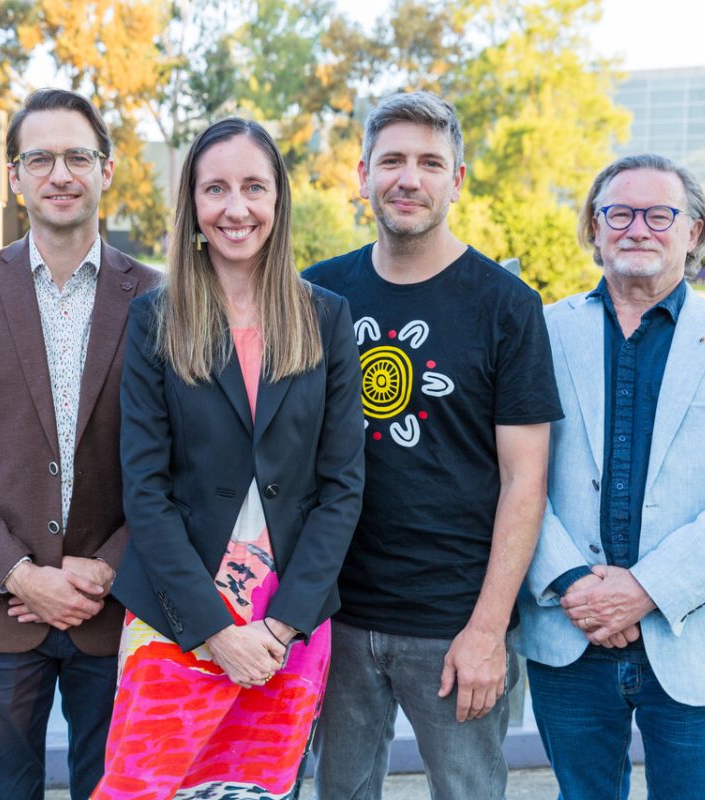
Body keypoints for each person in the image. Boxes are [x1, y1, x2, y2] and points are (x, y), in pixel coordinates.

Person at [90, 118, 365, 799]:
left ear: (278, 200)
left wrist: (278, 624)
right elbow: (145, 490)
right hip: (178, 613)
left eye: (253, 187)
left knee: (257, 789)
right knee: (146, 786)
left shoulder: (326, 319)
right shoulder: (157, 318)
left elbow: (342, 487)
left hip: (289, 622)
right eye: (215, 188)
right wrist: (215, 631)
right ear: (193, 204)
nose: (235, 208)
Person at [303, 91, 563, 800]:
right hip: (335, 619)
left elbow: (525, 482)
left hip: (454, 625)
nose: (407, 178)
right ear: (362, 174)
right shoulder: (318, 293)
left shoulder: (506, 306)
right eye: (391, 161)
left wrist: (487, 630)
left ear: (458, 178)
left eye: (428, 162)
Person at [0, 89, 160, 800]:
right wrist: (19, 572)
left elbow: (184, 466)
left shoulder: (160, 299)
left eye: (78, 155)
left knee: (115, 792)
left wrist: (105, 570)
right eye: (39, 157)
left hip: (117, 607)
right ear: (14, 176)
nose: (60, 174)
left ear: (107, 169)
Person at [517, 154, 705, 800]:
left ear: (693, 231)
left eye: (659, 214)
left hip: (696, 635)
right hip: (569, 629)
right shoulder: (538, 332)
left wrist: (643, 590)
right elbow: (512, 474)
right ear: (595, 226)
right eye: (619, 212)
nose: (638, 227)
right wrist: (574, 585)